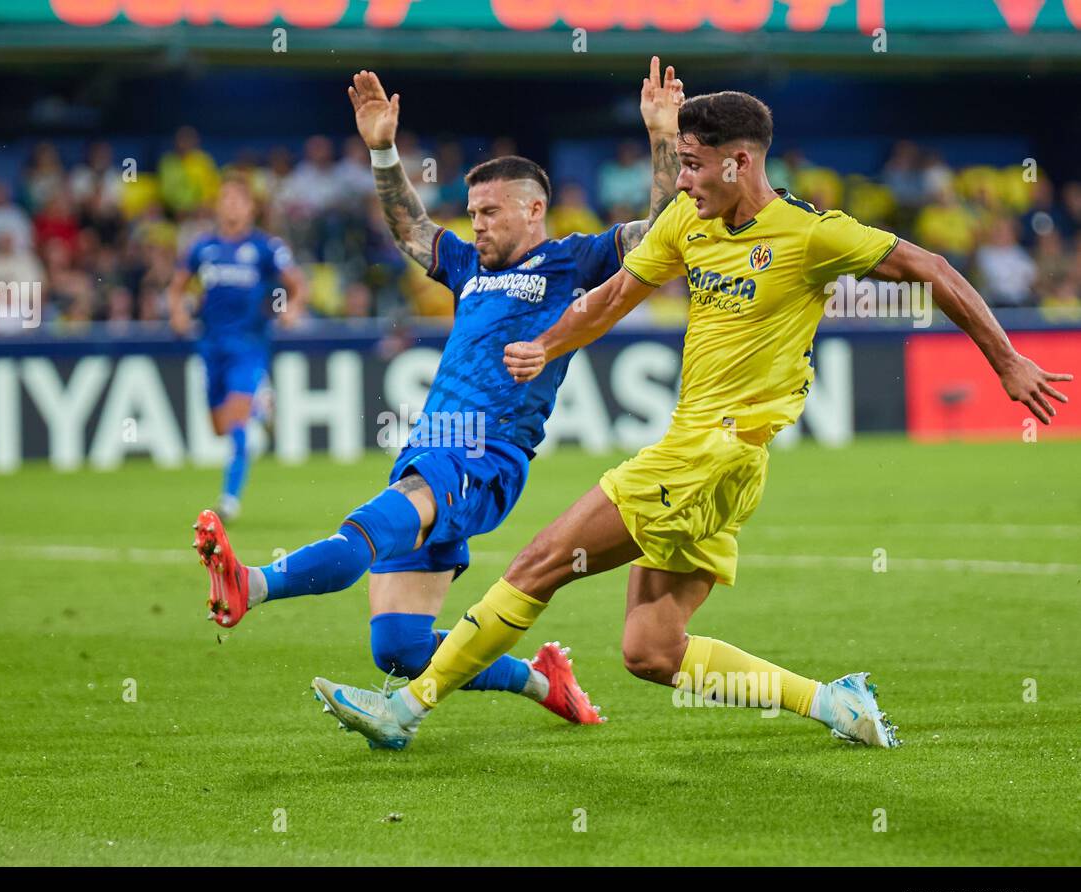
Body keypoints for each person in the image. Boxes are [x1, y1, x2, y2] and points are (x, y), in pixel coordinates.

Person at [312, 88, 1072, 751]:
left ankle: (405, 707)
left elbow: (932, 268)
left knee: (538, 564)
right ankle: (834, 702)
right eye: (679, 165)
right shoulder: (687, 221)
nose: (685, 180)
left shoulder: (813, 235)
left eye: (695, 164)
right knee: (651, 650)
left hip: (714, 454)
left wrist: (1006, 361)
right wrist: (544, 345)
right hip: (708, 459)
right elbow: (608, 299)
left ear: (741, 161)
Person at [191, 62, 685, 728]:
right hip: (433, 447)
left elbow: (659, 232)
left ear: (534, 209)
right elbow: (411, 228)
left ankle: (252, 583)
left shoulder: (573, 260)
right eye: (473, 211)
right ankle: (541, 682)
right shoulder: (469, 266)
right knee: (399, 649)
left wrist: (663, 135)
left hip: (486, 456)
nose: (476, 224)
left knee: (367, 528)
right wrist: (382, 150)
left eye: (490, 212)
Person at [169, 177, 308, 521]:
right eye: (225, 199)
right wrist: (177, 313)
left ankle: (229, 499)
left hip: (248, 344)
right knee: (219, 426)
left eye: (238, 200)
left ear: (250, 208)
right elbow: (177, 287)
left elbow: (297, 283)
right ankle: (261, 408)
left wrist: (292, 309)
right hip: (211, 344)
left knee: (235, 424)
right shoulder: (203, 247)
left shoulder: (265, 248)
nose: (231, 205)